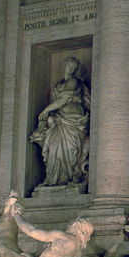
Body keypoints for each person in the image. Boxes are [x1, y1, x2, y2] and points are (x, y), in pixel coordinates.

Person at [30, 57, 91, 188]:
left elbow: (64, 99)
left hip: (73, 119)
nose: (70, 69)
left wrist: (45, 110)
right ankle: (53, 177)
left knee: (70, 148)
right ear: (64, 66)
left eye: (73, 68)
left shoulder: (74, 81)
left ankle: (67, 176)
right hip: (59, 119)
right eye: (69, 66)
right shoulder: (60, 84)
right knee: (53, 145)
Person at [11, 207, 94, 257]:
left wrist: (16, 215)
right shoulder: (79, 252)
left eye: (72, 224)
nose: (68, 226)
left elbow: (31, 231)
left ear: (77, 226)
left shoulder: (63, 237)